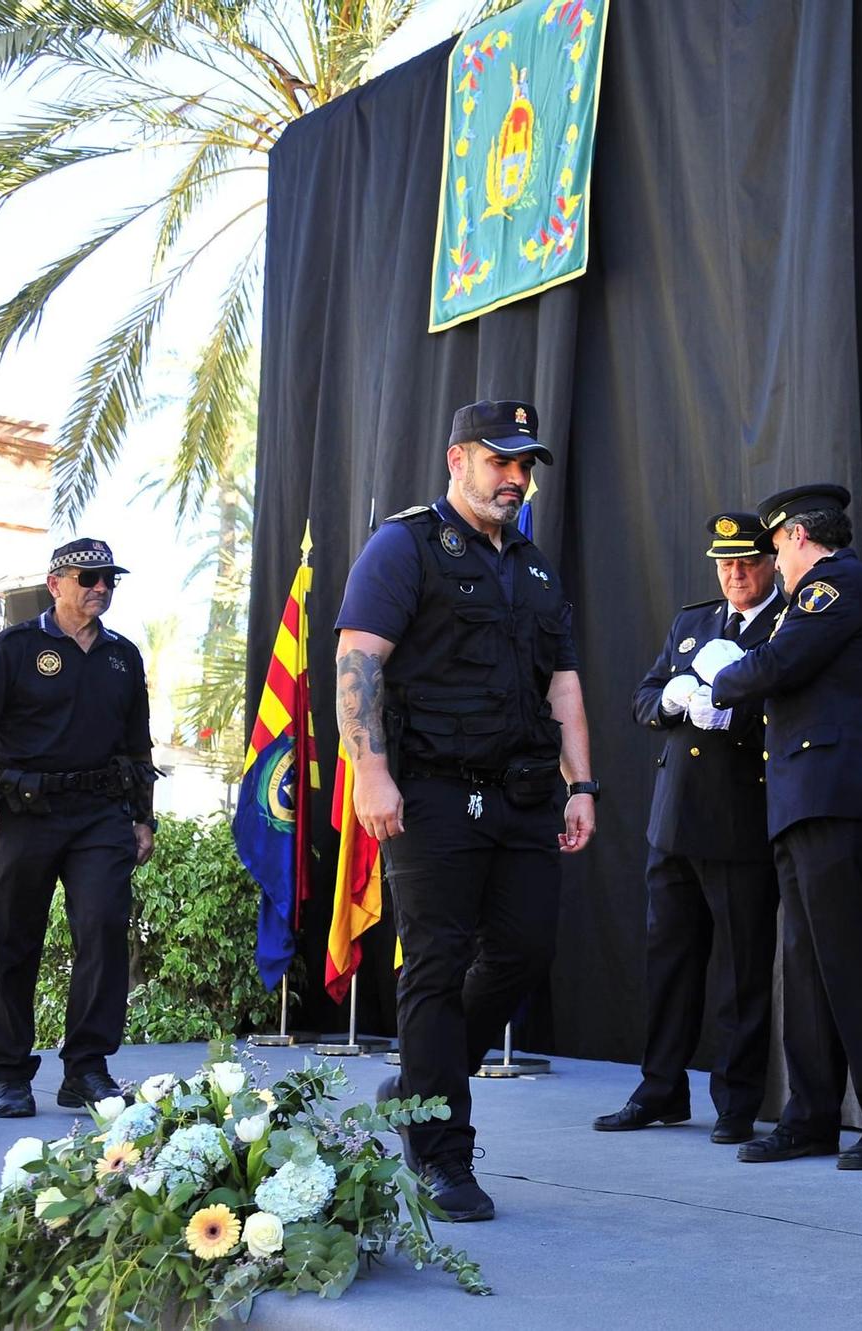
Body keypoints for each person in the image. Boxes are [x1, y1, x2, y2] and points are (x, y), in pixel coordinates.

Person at [335, 399, 597, 1222]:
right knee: (438, 963)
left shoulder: (536, 567)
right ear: (458, 459)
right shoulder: (404, 545)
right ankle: (443, 1152)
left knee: (523, 951)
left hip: (523, 791)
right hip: (432, 791)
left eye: (525, 465)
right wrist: (369, 771)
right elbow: (357, 660)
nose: (515, 478)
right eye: (500, 460)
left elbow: (563, 685)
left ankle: (421, 1077)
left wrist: (581, 783)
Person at [700, 483, 862, 1171]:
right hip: (804, 800)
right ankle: (811, 1115)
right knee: (808, 966)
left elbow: (774, 664)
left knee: (851, 959)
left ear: (794, 537)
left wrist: (718, 677)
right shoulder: (818, 592)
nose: (774, 563)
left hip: (834, 798)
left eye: (775, 548)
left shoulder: (831, 588)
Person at [0, 539, 157, 1118]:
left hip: (99, 816)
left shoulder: (123, 656)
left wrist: (143, 817)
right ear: (56, 582)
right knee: (14, 941)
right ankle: (9, 1075)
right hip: (24, 815)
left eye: (110, 580)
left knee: (104, 930)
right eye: (89, 577)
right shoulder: (14, 648)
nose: (101, 588)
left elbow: (137, 745)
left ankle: (86, 1069)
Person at [594, 512, 783, 1143]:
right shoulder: (693, 621)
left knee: (740, 968)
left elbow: (795, 707)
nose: (733, 575)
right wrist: (670, 700)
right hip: (674, 817)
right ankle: (661, 1089)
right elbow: (645, 698)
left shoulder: (789, 623)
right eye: (723, 564)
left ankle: (736, 1101)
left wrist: (735, 715)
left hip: (740, 817)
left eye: (746, 563)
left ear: (772, 562)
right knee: (669, 961)